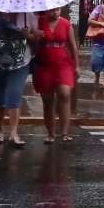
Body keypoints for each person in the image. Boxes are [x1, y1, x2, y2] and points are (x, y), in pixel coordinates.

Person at [0, 11, 41, 147]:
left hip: (20, 63)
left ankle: (14, 133)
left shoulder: (28, 15)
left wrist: (28, 35)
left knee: (14, 93)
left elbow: (37, 38)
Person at [33, 8, 79, 143]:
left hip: (63, 64)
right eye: (52, 10)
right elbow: (32, 44)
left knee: (64, 94)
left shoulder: (66, 23)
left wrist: (77, 65)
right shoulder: (38, 22)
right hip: (44, 64)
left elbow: (72, 46)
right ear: (47, 11)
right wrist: (34, 35)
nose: (55, 13)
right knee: (47, 101)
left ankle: (65, 132)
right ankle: (50, 133)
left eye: (58, 10)